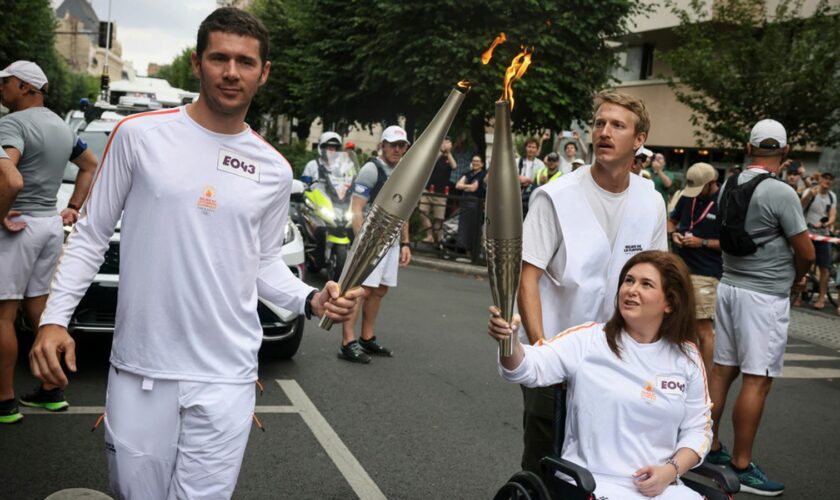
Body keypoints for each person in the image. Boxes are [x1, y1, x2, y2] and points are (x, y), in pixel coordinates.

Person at [29, 8, 363, 497]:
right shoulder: (139, 136)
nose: (232, 72)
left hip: (227, 376)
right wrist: (54, 319)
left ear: (263, 72)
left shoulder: (272, 168)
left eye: (245, 62)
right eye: (220, 58)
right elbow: (92, 233)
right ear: (197, 63)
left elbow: (264, 261)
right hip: (142, 369)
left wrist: (311, 299)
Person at [516, 90, 668, 473]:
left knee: (604, 460)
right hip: (554, 347)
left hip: (617, 354)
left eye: (618, 125)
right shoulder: (554, 196)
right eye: (600, 123)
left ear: (639, 141)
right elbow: (527, 277)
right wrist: (542, 353)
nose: (604, 131)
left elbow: (658, 278)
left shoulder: (650, 201)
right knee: (546, 456)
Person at [490, 251, 712, 500]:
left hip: (662, 488)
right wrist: (509, 342)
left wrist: (670, 471)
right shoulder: (589, 340)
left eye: (645, 284)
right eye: (628, 280)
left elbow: (699, 429)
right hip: (594, 484)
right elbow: (527, 367)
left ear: (669, 303)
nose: (631, 289)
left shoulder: (687, 357)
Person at [707, 119, 814, 496]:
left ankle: (708, 447)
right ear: (784, 153)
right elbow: (807, 250)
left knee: (722, 372)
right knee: (757, 379)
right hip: (765, 296)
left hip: (730, 286)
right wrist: (798, 279)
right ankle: (741, 465)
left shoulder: (728, 186)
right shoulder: (781, 193)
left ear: (749, 146)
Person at [0, 60, 98, 424]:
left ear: (26, 87)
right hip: (49, 226)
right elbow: (90, 164)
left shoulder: (10, 124)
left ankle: (5, 403)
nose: (1, 89)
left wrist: (1, 213)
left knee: (3, 315)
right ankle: (50, 391)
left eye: (6, 83)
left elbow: (9, 179)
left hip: (17, 227)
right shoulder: (61, 126)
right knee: (40, 309)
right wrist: (73, 206)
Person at [340, 125, 412, 363]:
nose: (398, 149)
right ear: (382, 145)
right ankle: (347, 342)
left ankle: (366, 338)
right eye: (393, 145)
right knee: (360, 291)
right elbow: (357, 210)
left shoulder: (404, 171)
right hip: (371, 241)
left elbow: (404, 210)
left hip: (390, 243)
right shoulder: (371, 170)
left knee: (379, 290)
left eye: (402, 145)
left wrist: (405, 243)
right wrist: (363, 243)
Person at [668, 162, 721, 371]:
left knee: (703, 331)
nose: (696, 195)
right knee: (681, 327)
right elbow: (671, 221)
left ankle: (705, 382)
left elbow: (732, 243)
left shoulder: (723, 203)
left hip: (706, 274)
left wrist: (703, 242)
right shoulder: (688, 197)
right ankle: (686, 374)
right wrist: (674, 234)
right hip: (680, 270)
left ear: (712, 183)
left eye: (700, 190)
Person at [799, 172, 836, 310]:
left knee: (824, 267)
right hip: (807, 233)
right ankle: (797, 295)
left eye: (830, 179)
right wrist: (808, 197)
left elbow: (832, 215)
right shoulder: (810, 191)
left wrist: (826, 224)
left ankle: (821, 298)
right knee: (804, 263)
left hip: (823, 234)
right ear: (820, 179)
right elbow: (800, 207)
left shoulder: (832, 196)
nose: (827, 181)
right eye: (825, 178)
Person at [419, 136, 456, 243]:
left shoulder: (450, 158)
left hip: (441, 193)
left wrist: (448, 153)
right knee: (422, 213)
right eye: (444, 142)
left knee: (439, 218)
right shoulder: (435, 154)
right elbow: (431, 162)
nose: (445, 144)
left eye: (448, 142)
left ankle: (439, 241)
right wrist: (441, 150)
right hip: (428, 190)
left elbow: (454, 166)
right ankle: (429, 235)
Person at [455, 154, 487, 257]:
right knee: (464, 228)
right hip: (465, 205)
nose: (475, 163)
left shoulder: (483, 174)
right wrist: (467, 186)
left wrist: (465, 186)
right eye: (473, 161)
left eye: (477, 161)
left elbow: (474, 188)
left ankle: (474, 253)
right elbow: (458, 185)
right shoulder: (468, 173)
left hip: (476, 206)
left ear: (482, 164)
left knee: (474, 229)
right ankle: (465, 252)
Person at [517, 137, 543, 215]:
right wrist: (518, 179)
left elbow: (541, 183)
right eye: (529, 147)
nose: (531, 149)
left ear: (537, 149)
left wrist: (529, 180)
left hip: (532, 197)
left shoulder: (541, 164)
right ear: (525, 148)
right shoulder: (517, 161)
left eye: (533, 147)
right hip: (517, 195)